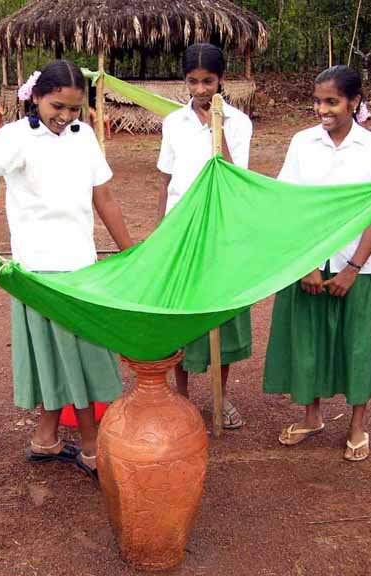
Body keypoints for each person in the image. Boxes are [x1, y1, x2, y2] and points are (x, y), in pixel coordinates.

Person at [0, 60, 133, 481]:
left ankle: (46, 438)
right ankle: (90, 447)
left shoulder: (84, 137)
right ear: (35, 97)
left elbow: (103, 197)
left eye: (74, 108)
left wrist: (128, 253)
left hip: (82, 268)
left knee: (70, 359)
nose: (65, 116)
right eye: (57, 106)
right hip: (40, 275)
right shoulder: (16, 138)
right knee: (74, 362)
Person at [264, 65, 371, 462]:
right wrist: (306, 263)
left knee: (358, 346)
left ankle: (357, 426)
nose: (323, 109)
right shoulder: (302, 144)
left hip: (359, 267)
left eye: (332, 101)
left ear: (354, 102)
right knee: (308, 344)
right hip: (309, 263)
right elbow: (290, 206)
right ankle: (312, 417)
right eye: (318, 101)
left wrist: (354, 267)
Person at [156, 43, 253, 429]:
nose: (200, 90)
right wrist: (162, 230)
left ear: (221, 81)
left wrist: (219, 127)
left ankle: (220, 394)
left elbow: (235, 177)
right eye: (193, 82)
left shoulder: (239, 123)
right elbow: (166, 180)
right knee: (182, 312)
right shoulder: (173, 123)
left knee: (221, 314)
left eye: (208, 81)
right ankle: (180, 396)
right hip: (181, 228)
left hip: (221, 230)